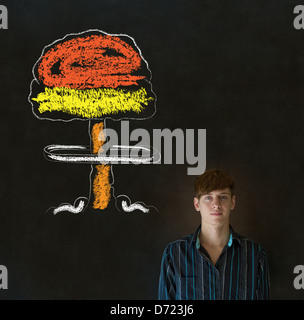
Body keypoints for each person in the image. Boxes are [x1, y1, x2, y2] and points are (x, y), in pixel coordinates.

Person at [158, 169, 270, 300]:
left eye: (223, 197)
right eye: (208, 197)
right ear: (196, 204)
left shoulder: (255, 255)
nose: (216, 204)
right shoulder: (174, 254)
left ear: (232, 202)